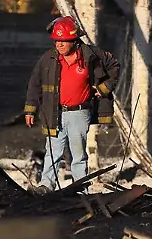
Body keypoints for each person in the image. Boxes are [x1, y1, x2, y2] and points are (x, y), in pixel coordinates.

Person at [24, 15, 119, 192]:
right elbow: (34, 83)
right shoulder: (48, 58)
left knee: (78, 154)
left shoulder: (91, 54)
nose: (59, 44)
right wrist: (30, 109)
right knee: (52, 152)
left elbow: (113, 65)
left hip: (79, 113)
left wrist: (104, 88)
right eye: (57, 40)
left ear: (74, 40)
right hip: (54, 113)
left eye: (64, 41)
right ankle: (46, 185)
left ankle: (80, 189)